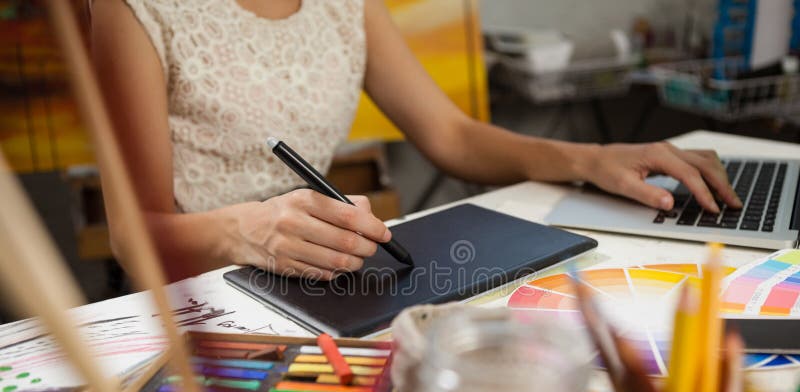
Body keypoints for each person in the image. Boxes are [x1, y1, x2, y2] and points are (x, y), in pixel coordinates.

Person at [90, 0, 741, 282]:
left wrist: (591, 159)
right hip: (198, 295)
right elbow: (133, 234)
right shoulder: (134, 9)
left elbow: (451, 135)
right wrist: (245, 231)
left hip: (325, 275)